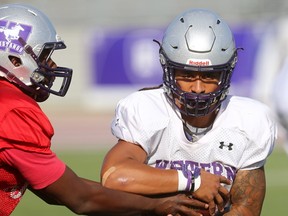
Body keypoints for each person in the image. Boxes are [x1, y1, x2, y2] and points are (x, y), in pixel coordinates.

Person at [0, 3, 210, 216]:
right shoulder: (14, 111)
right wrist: (157, 205)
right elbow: (80, 198)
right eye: (45, 56)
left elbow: (55, 189)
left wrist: (153, 198)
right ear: (14, 59)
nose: (52, 65)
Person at [100, 8, 277, 216]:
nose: (198, 88)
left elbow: (246, 209)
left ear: (226, 74)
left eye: (210, 76)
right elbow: (114, 177)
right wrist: (192, 181)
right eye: (187, 74)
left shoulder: (249, 121)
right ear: (168, 70)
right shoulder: (148, 109)